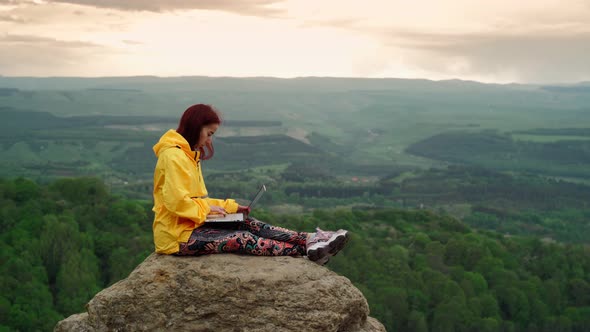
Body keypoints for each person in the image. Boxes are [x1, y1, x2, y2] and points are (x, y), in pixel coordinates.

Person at [152, 104, 349, 264]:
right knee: (242, 239)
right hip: (176, 237)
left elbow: (194, 200)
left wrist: (229, 207)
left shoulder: (187, 155)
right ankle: (309, 251)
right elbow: (177, 203)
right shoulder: (173, 156)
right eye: (209, 133)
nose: (210, 140)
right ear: (196, 127)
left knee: (246, 222)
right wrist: (209, 210)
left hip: (190, 226)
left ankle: (310, 239)